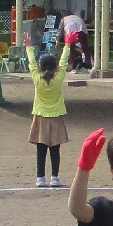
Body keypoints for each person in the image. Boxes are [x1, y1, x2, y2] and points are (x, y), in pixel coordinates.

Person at [29, 39, 75, 188]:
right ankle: (55, 177)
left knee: (41, 149)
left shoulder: (37, 79)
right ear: (55, 67)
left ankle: (40, 178)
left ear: (40, 67)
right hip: (56, 116)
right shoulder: (58, 78)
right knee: (55, 149)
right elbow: (63, 62)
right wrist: (67, 45)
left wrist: (29, 47)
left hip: (40, 116)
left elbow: (31, 64)